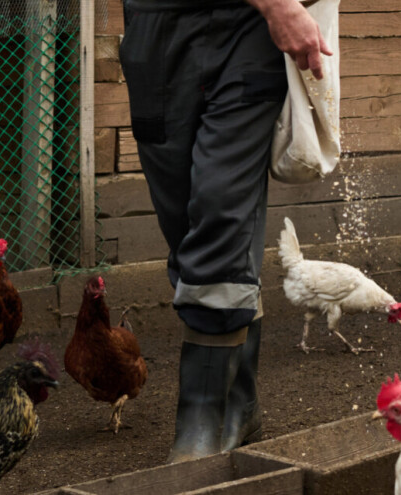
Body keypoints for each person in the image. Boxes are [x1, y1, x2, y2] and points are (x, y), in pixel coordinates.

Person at [119, 0, 333, 462]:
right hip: (155, 25)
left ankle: (201, 426)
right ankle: (242, 404)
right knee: (188, 227)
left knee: (219, 207)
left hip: (247, 29)